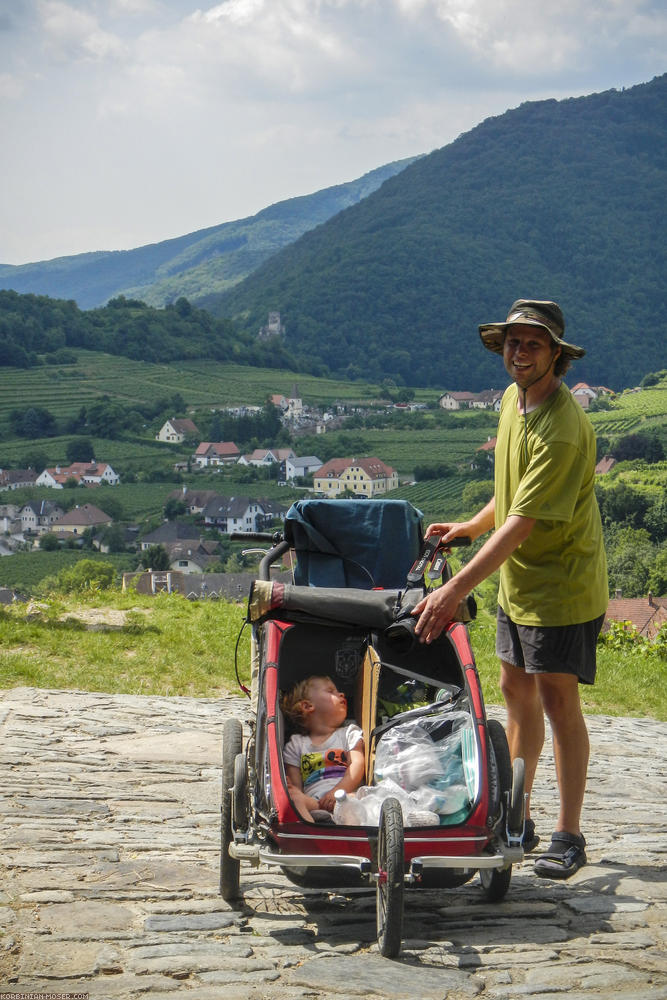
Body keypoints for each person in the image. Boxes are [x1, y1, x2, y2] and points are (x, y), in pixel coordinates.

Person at [413, 299, 608, 880]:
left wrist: (452, 594)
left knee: (557, 699)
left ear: (555, 356)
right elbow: (513, 495)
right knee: (514, 687)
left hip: (562, 582)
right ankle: (515, 815)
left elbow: (523, 524)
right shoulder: (512, 402)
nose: (519, 353)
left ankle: (568, 833)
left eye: (532, 344)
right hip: (520, 577)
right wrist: (472, 525)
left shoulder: (563, 428)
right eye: (512, 343)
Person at [281, 675, 365, 822]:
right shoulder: (296, 745)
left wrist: (337, 792)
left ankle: (351, 840)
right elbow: (297, 786)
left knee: (359, 799)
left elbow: (357, 765)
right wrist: (290, 788)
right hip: (314, 803)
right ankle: (310, 839)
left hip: (345, 796)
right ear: (308, 706)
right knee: (294, 798)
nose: (341, 694)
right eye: (331, 691)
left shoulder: (348, 733)